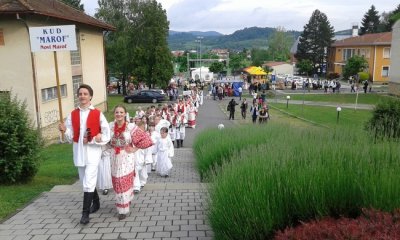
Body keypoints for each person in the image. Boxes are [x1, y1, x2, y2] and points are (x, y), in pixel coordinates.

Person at [58, 84, 111, 225]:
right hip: (79, 151)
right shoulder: (72, 114)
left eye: (85, 94)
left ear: (90, 96)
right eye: (80, 93)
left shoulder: (97, 113)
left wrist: (97, 137)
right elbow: (70, 136)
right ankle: (96, 201)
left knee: (89, 180)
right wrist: (65, 130)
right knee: (84, 181)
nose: (82, 96)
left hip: (93, 151)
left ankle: (85, 214)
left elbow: (107, 133)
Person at [108, 104, 138, 220]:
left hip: (127, 157)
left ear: (125, 113)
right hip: (114, 157)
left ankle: (123, 210)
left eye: (121, 112)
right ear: (114, 114)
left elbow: (143, 139)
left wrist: (134, 149)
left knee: (122, 180)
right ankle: (125, 200)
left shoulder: (131, 126)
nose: (119, 114)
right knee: (117, 182)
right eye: (117, 112)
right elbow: (105, 141)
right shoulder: (110, 126)